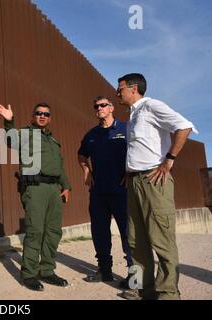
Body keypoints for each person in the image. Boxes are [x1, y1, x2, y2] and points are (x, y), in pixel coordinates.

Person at [116, 73, 197, 300]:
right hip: (134, 182)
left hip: (154, 181)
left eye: (120, 88)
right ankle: (144, 288)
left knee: (161, 240)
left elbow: (184, 126)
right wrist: (129, 171)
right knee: (135, 240)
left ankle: (168, 293)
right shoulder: (132, 117)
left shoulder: (152, 106)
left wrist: (169, 160)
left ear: (133, 89)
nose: (117, 92)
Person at [0, 102, 72, 291]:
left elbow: (58, 165)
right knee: (35, 231)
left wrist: (66, 185)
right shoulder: (25, 133)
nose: (42, 116)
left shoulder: (53, 140)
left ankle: (47, 270)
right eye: (38, 113)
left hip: (54, 189)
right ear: (33, 116)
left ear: (50, 118)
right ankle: (29, 274)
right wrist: (9, 121)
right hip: (35, 188)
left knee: (53, 231)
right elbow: (10, 140)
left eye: (46, 113)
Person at [77, 96, 133, 288]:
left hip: (122, 190)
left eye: (102, 105)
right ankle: (105, 271)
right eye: (96, 106)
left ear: (111, 108)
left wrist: (130, 172)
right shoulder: (91, 134)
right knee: (100, 232)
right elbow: (81, 154)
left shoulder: (126, 128)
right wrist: (87, 171)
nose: (99, 108)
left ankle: (134, 276)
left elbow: (139, 149)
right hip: (98, 192)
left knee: (129, 233)